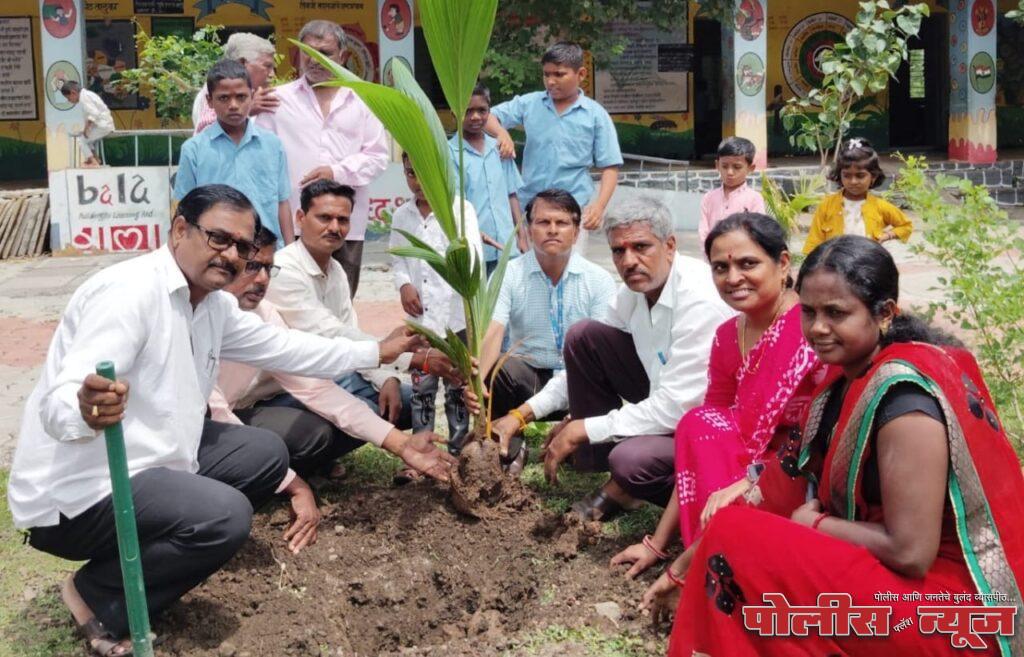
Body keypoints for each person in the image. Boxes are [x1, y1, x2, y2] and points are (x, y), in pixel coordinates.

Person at [7, 184, 430, 657]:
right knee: (226, 516)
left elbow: (289, 348)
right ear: (180, 229)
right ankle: (97, 593)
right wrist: (85, 409)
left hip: (155, 461)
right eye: (218, 238)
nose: (231, 255)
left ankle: (151, 551)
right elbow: (62, 399)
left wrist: (377, 350)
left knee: (264, 452)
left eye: (243, 247)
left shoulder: (212, 304)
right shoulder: (129, 294)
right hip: (85, 488)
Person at [651, 235, 1024, 657]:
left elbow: (911, 552)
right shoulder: (842, 382)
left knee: (746, 540)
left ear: (884, 313)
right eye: (808, 312)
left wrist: (813, 525)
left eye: (836, 313)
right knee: (736, 529)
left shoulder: (905, 404)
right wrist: (683, 569)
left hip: (954, 612)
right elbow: (773, 492)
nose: (817, 328)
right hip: (900, 588)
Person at [609, 213, 825, 578]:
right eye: (720, 267)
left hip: (798, 475)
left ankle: (715, 562)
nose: (733, 278)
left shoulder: (812, 328)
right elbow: (700, 442)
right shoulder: (728, 336)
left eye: (748, 263)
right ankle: (712, 557)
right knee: (699, 424)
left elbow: (820, 439)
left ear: (783, 262)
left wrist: (752, 479)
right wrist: (656, 543)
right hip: (738, 476)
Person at [210, 224, 458, 481]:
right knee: (306, 435)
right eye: (252, 266)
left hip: (294, 388)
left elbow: (313, 383)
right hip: (211, 426)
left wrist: (401, 443)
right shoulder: (204, 312)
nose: (262, 279)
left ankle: (298, 464)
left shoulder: (267, 313)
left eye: (268, 269)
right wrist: (287, 482)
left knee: (390, 405)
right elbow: (215, 411)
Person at [541, 196, 734, 519]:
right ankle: (597, 461)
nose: (629, 261)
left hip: (705, 422)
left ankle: (629, 487)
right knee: (584, 336)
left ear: (670, 246)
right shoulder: (633, 291)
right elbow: (582, 359)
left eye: (641, 247)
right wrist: (527, 412)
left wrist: (586, 427)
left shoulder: (699, 300)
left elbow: (677, 407)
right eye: (619, 250)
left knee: (631, 461)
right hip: (665, 394)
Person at [266, 180, 460, 434]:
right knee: (348, 417)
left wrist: (386, 377)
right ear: (300, 218)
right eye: (324, 218)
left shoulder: (335, 270)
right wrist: (413, 359)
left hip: (326, 374)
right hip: (281, 389)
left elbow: (349, 331)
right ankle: (305, 457)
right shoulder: (283, 270)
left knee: (400, 400)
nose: (335, 228)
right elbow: (330, 333)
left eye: (342, 220)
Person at [463, 188, 618, 469]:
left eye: (562, 223)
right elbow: (494, 330)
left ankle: (577, 440)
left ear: (577, 229)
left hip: (581, 381)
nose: (552, 230)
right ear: (528, 228)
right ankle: (507, 448)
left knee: (589, 465)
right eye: (543, 222)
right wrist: (476, 383)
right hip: (529, 375)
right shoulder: (508, 274)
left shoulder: (600, 281)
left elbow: (601, 358)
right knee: (499, 371)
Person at [258, 20, 389, 296]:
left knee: (341, 300)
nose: (315, 59)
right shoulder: (276, 101)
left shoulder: (365, 100)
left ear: (342, 55)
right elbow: (260, 156)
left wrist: (336, 171)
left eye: (325, 52)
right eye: (309, 51)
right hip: (293, 223)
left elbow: (378, 157)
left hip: (344, 225)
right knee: (292, 302)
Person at [389, 152, 483, 454]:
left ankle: (457, 450)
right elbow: (397, 259)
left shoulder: (460, 210)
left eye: (424, 174)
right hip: (422, 320)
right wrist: (404, 284)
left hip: (456, 318)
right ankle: (421, 447)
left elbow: (475, 260)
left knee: (457, 386)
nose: (418, 182)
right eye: (411, 174)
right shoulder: (402, 215)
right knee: (422, 387)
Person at [485, 42, 623, 242]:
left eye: (559, 74)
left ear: (581, 74)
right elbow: (488, 116)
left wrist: (599, 206)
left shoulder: (595, 115)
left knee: (569, 268)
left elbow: (610, 166)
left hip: (572, 210)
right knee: (529, 268)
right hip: (530, 209)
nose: (550, 81)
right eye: (546, 74)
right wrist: (501, 133)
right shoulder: (529, 104)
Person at [175, 59, 292, 243]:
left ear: (252, 96)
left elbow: (282, 203)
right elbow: (183, 206)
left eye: (241, 97)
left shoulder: (272, 145)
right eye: (223, 98)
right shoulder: (194, 149)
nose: (233, 105)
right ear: (209, 101)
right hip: (215, 248)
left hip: (265, 250)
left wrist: (290, 251)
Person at [449, 82, 527, 275]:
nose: (475, 116)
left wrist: (522, 235)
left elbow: (512, 195)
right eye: (467, 111)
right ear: (454, 113)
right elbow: (457, 205)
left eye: (481, 110)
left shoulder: (500, 149)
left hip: (506, 244)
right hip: (474, 247)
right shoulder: (450, 153)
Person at [803, 138, 912, 255]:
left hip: (868, 264)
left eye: (860, 176)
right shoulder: (827, 205)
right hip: (835, 265)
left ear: (873, 177)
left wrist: (887, 235)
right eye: (847, 175)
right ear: (840, 176)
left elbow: (905, 226)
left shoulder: (880, 206)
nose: (853, 181)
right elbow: (813, 242)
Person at [193, 32, 278, 135]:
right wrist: (247, 110)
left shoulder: (254, 94)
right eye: (267, 66)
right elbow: (206, 134)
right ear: (242, 63)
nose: (272, 74)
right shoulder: (216, 89)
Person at [697, 137, 766, 246]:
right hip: (714, 258)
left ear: (750, 168)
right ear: (717, 165)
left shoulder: (754, 199)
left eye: (737, 167)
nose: (729, 172)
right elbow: (703, 233)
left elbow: (757, 233)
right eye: (724, 166)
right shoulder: (709, 198)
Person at [61, 81, 114, 167]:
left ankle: (92, 161)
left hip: (103, 125)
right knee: (87, 140)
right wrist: (87, 130)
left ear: (73, 93)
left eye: (68, 98)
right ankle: (95, 159)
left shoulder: (84, 98)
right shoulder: (87, 95)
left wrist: (86, 129)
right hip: (103, 124)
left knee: (81, 140)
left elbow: (93, 114)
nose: (69, 100)